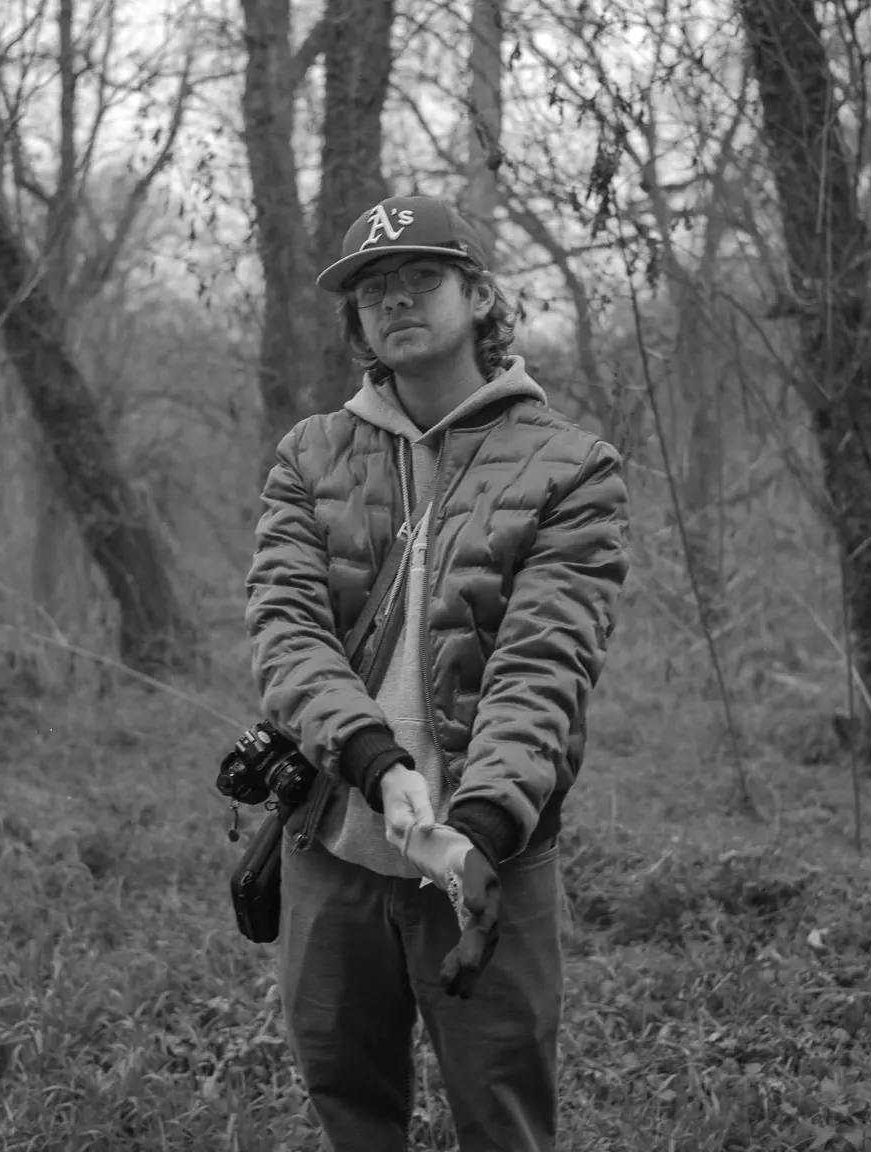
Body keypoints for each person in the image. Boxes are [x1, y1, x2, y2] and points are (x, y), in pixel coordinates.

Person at [244, 195, 630, 1152]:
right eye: (374, 288)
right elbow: (288, 631)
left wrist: (481, 830)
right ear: (357, 319)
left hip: (487, 862)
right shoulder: (310, 455)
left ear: (479, 295)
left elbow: (544, 665)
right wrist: (375, 763)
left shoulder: (571, 468)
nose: (396, 300)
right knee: (348, 1107)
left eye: (422, 276)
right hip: (334, 845)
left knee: (502, 1120)